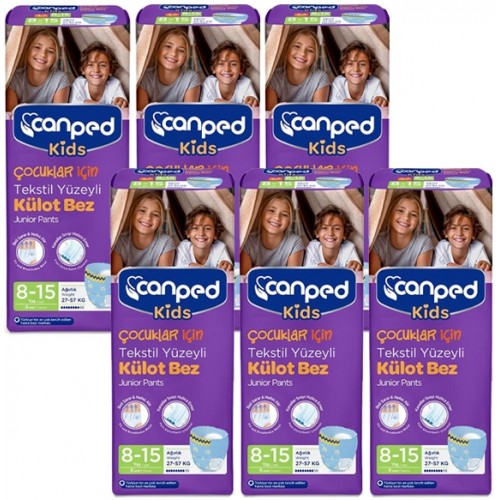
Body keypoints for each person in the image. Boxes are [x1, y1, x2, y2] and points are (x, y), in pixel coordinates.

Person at [266, 28, 330, 111]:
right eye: (297, 46)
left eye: (310, 50)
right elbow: (271, 113)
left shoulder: (320, 78)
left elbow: (319, 112)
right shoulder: (274, 77)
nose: (303, 53)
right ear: (287, 49)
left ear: (315, 57)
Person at [370, 191, 433, 274]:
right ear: (390, 213)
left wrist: (389, 272)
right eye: (400, 210)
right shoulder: (377, 242)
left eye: (413, 214)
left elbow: (422, 276)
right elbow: (374, 278)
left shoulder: (423, 242)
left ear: (418, 220)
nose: (406, 218)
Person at [7, 28, 70, 111]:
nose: (43, 54)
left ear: (55, 57)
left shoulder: (60, 79)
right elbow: (12, 115)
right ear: (27, 49)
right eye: (37, 47)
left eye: (50, 51)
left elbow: (59, 113)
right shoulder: (14, 78)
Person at [241, 192, 304, 274]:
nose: (277, 218)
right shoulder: (248, 242)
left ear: (289, 221)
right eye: (271, 211)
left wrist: (259, 272)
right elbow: (245, 278)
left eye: (284, 215)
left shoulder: (294, 242)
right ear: (261, 213)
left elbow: (293, 276)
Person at [111, 192, 175, 274]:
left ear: (160, 221)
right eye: (142, 210)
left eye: (155, 215)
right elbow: (117, 278)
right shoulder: (119, 242)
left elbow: (164, 276)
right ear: (132, 213)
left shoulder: (165, 243)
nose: (148, 218)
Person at [137, 28, 200, 110]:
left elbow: (190, 112)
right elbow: (142, 113)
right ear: (158, 49)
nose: (173, 53)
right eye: (168, 46)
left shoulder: (191, 78)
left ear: (186, 57)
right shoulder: (145, 78)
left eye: (181, 50)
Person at [330, 40, 388, 107]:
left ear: (370, 69)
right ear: (342, 69)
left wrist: (381, 101)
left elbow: (381, 106)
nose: (356, 69)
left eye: (362, 64)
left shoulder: (374, 84)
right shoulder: (338, 83)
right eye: (350, 64)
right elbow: (333, 107)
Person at [433, 204, 491, 271]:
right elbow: (437, 270)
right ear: (446, 233)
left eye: (465, 228)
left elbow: (485, 268)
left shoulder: (478, 248)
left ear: (474, 234)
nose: (459, 233)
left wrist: (485, 265)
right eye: (453, 228)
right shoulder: (442, 247)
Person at [175, 205, 233, 271]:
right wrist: (192, 266)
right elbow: (178, 271)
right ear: (188, 233)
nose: (201, 233)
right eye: (195, 228)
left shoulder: (220, 247)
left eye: (207, 228)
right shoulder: (184, 247)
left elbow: (226, 269)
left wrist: (226, 265)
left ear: (215, 234)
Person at [201, 40, 258, 106]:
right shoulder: (209, 83)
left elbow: (252, 103)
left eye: (233, 64)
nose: (227, 69)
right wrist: (218, 102)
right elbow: (204, 106)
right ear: (214, 69)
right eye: (221, 64)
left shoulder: (246, 83)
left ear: (241, 69)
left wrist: (252, 101)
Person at [70, 41, 128, 107]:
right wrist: (85, 103)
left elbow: (122, 105)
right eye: (90, 65)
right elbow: (72, 107)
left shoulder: (115, 84)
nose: (96, 70)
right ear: (83, 70)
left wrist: (121, 102)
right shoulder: (78, 84)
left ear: (110, 70)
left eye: (102, 65)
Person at [304, 204, 362, 270]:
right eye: (324, 228)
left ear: (345, 234)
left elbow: (356, 269)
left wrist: (355, 265)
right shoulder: (313, 247)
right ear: (317, 233)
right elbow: (308, 270)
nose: (330, 233)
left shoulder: (349, 248)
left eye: (336, 228)